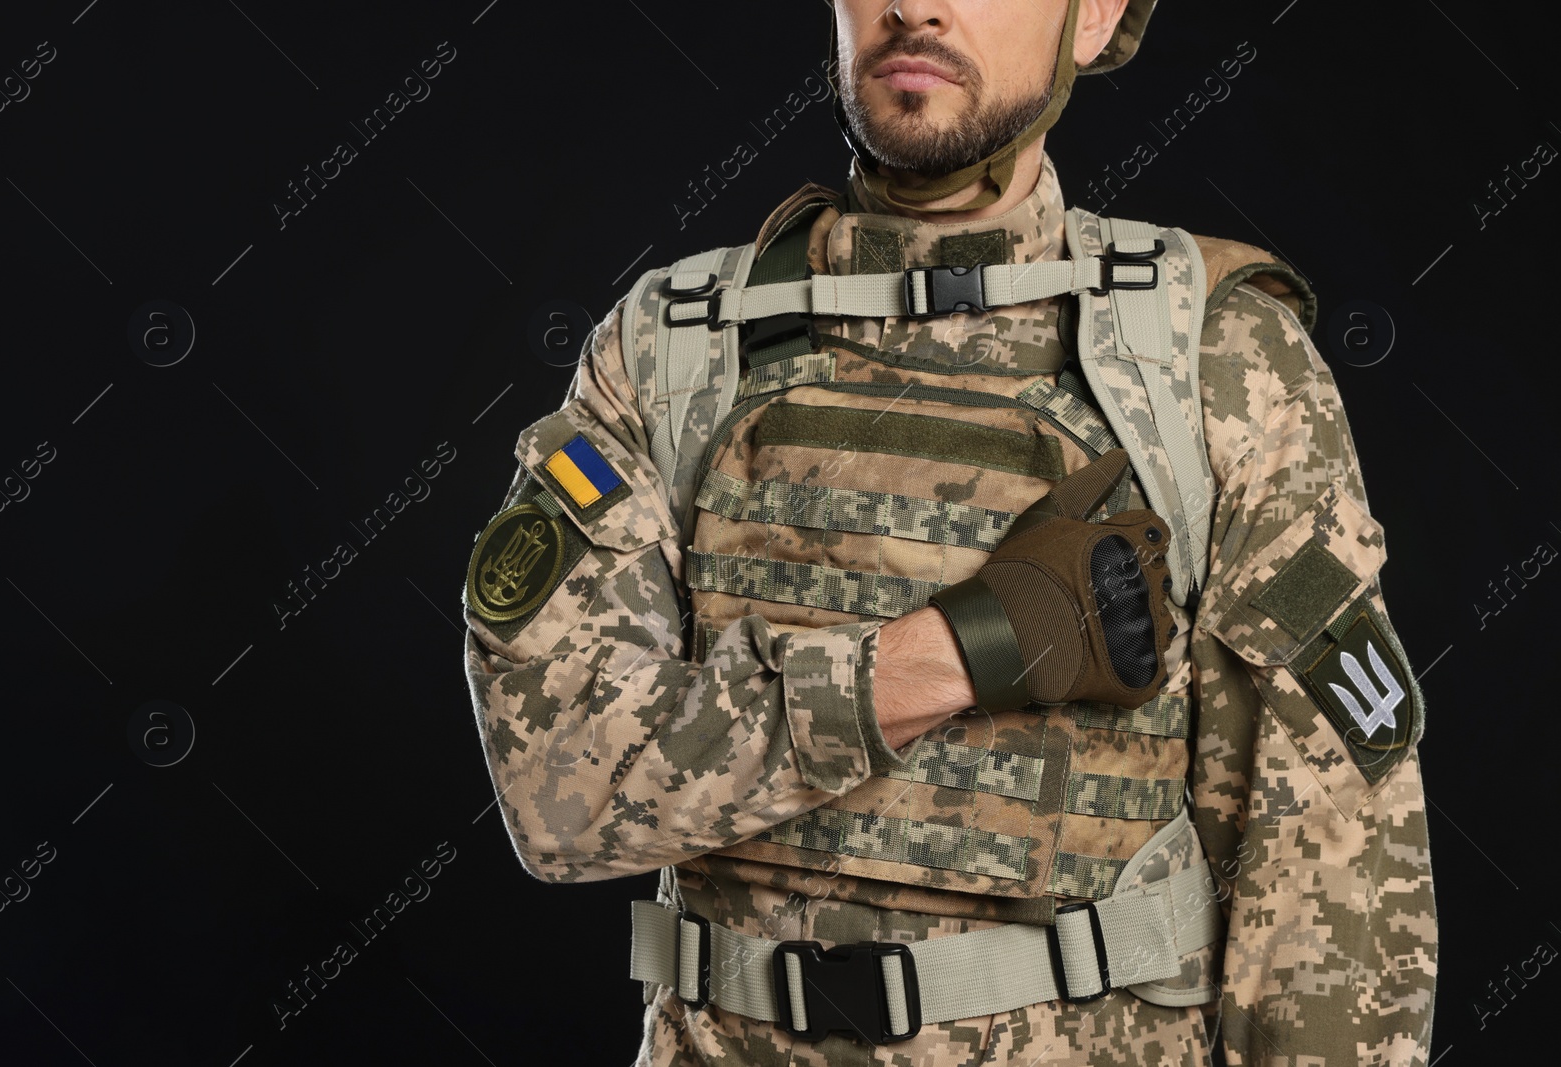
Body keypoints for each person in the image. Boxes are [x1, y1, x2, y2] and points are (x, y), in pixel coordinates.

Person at [461, 0, 1438, 1062]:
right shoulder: (672, 348)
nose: (914, 6)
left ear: (1096, 15)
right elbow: (561, 793)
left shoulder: (1213, 362)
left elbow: (1329, 883)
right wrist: (962, 648)